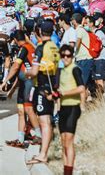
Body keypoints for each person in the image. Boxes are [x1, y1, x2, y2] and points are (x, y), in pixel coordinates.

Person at [25, 21, 60, 165]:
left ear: (39, 31)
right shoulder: (54, 47)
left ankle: (43, 154)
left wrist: (26, 73)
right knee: (48, 121)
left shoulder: (40, 48)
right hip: (52, 86)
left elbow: (33, 71)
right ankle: (44, 152)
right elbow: (58, 68)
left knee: (45, 122)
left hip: (41, 88)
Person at [1, 30, 41, 149]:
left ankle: (40, 136)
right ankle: (20, 139)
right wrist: (13, 89)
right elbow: (20, 71)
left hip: (30, 83)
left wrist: (5, 81)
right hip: (23, 83)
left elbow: (16, 67)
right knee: (20, 111)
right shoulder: (27, 48)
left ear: (15, 40)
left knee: (28, 109)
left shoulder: (25, 48)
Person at [57, 45, 85, 175]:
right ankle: (65, 169)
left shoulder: (75, 69)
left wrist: (65, 93)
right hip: (63, 107)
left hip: (73, 107)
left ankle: (69, 171)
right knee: (63, 141)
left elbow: (81, 88)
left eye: (68, 55)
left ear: (72, 56)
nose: (66, 58)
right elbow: (59, 91)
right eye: (63, 56)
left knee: (69, 140)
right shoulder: (62, 71)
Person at [87, 14, 105, 97]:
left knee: (99, 80)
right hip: (96, 59)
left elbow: (97, 47)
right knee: (96, 80)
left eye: (86, 23)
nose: (85, 25)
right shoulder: (90, 33)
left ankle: (100, 101)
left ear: (91, 24)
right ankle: (98, 99)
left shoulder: (98, 33)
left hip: (102, 58)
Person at [72, 13, 94, 94]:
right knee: (88, 84)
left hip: (84, 59)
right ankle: (96, 101)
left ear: (74, 21)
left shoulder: (79, 30)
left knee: (82, 85)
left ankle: (82, 105)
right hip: (85, 59)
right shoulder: (83, 29)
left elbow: (76, 45)